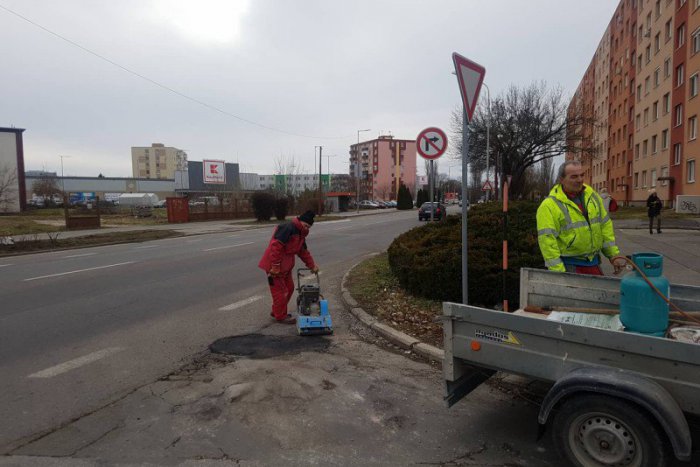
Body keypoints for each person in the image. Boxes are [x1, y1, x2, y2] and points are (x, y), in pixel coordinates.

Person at [536, 160, 623, 275]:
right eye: (574, 177)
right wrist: (558, 273)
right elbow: (547, 241)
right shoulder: (549, 206)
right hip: (569, 265)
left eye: (582, 175)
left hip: (593, 263)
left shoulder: (593, 197)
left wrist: (613, 255)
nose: (580, 180)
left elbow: (605, 226)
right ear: (561, 180)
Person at [258, 210, 319, 324]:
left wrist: (312, 265)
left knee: (290, 288)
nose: (306, 228)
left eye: (308, 227)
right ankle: (280, 316)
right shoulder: (288, 228)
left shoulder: (300, 234)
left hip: (285, 268)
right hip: (274, 268)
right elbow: (275, 247)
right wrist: (275, 266)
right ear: (300, 221)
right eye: (305, 225)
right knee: (281, 292)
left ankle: (276, 310)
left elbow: (303, 252)